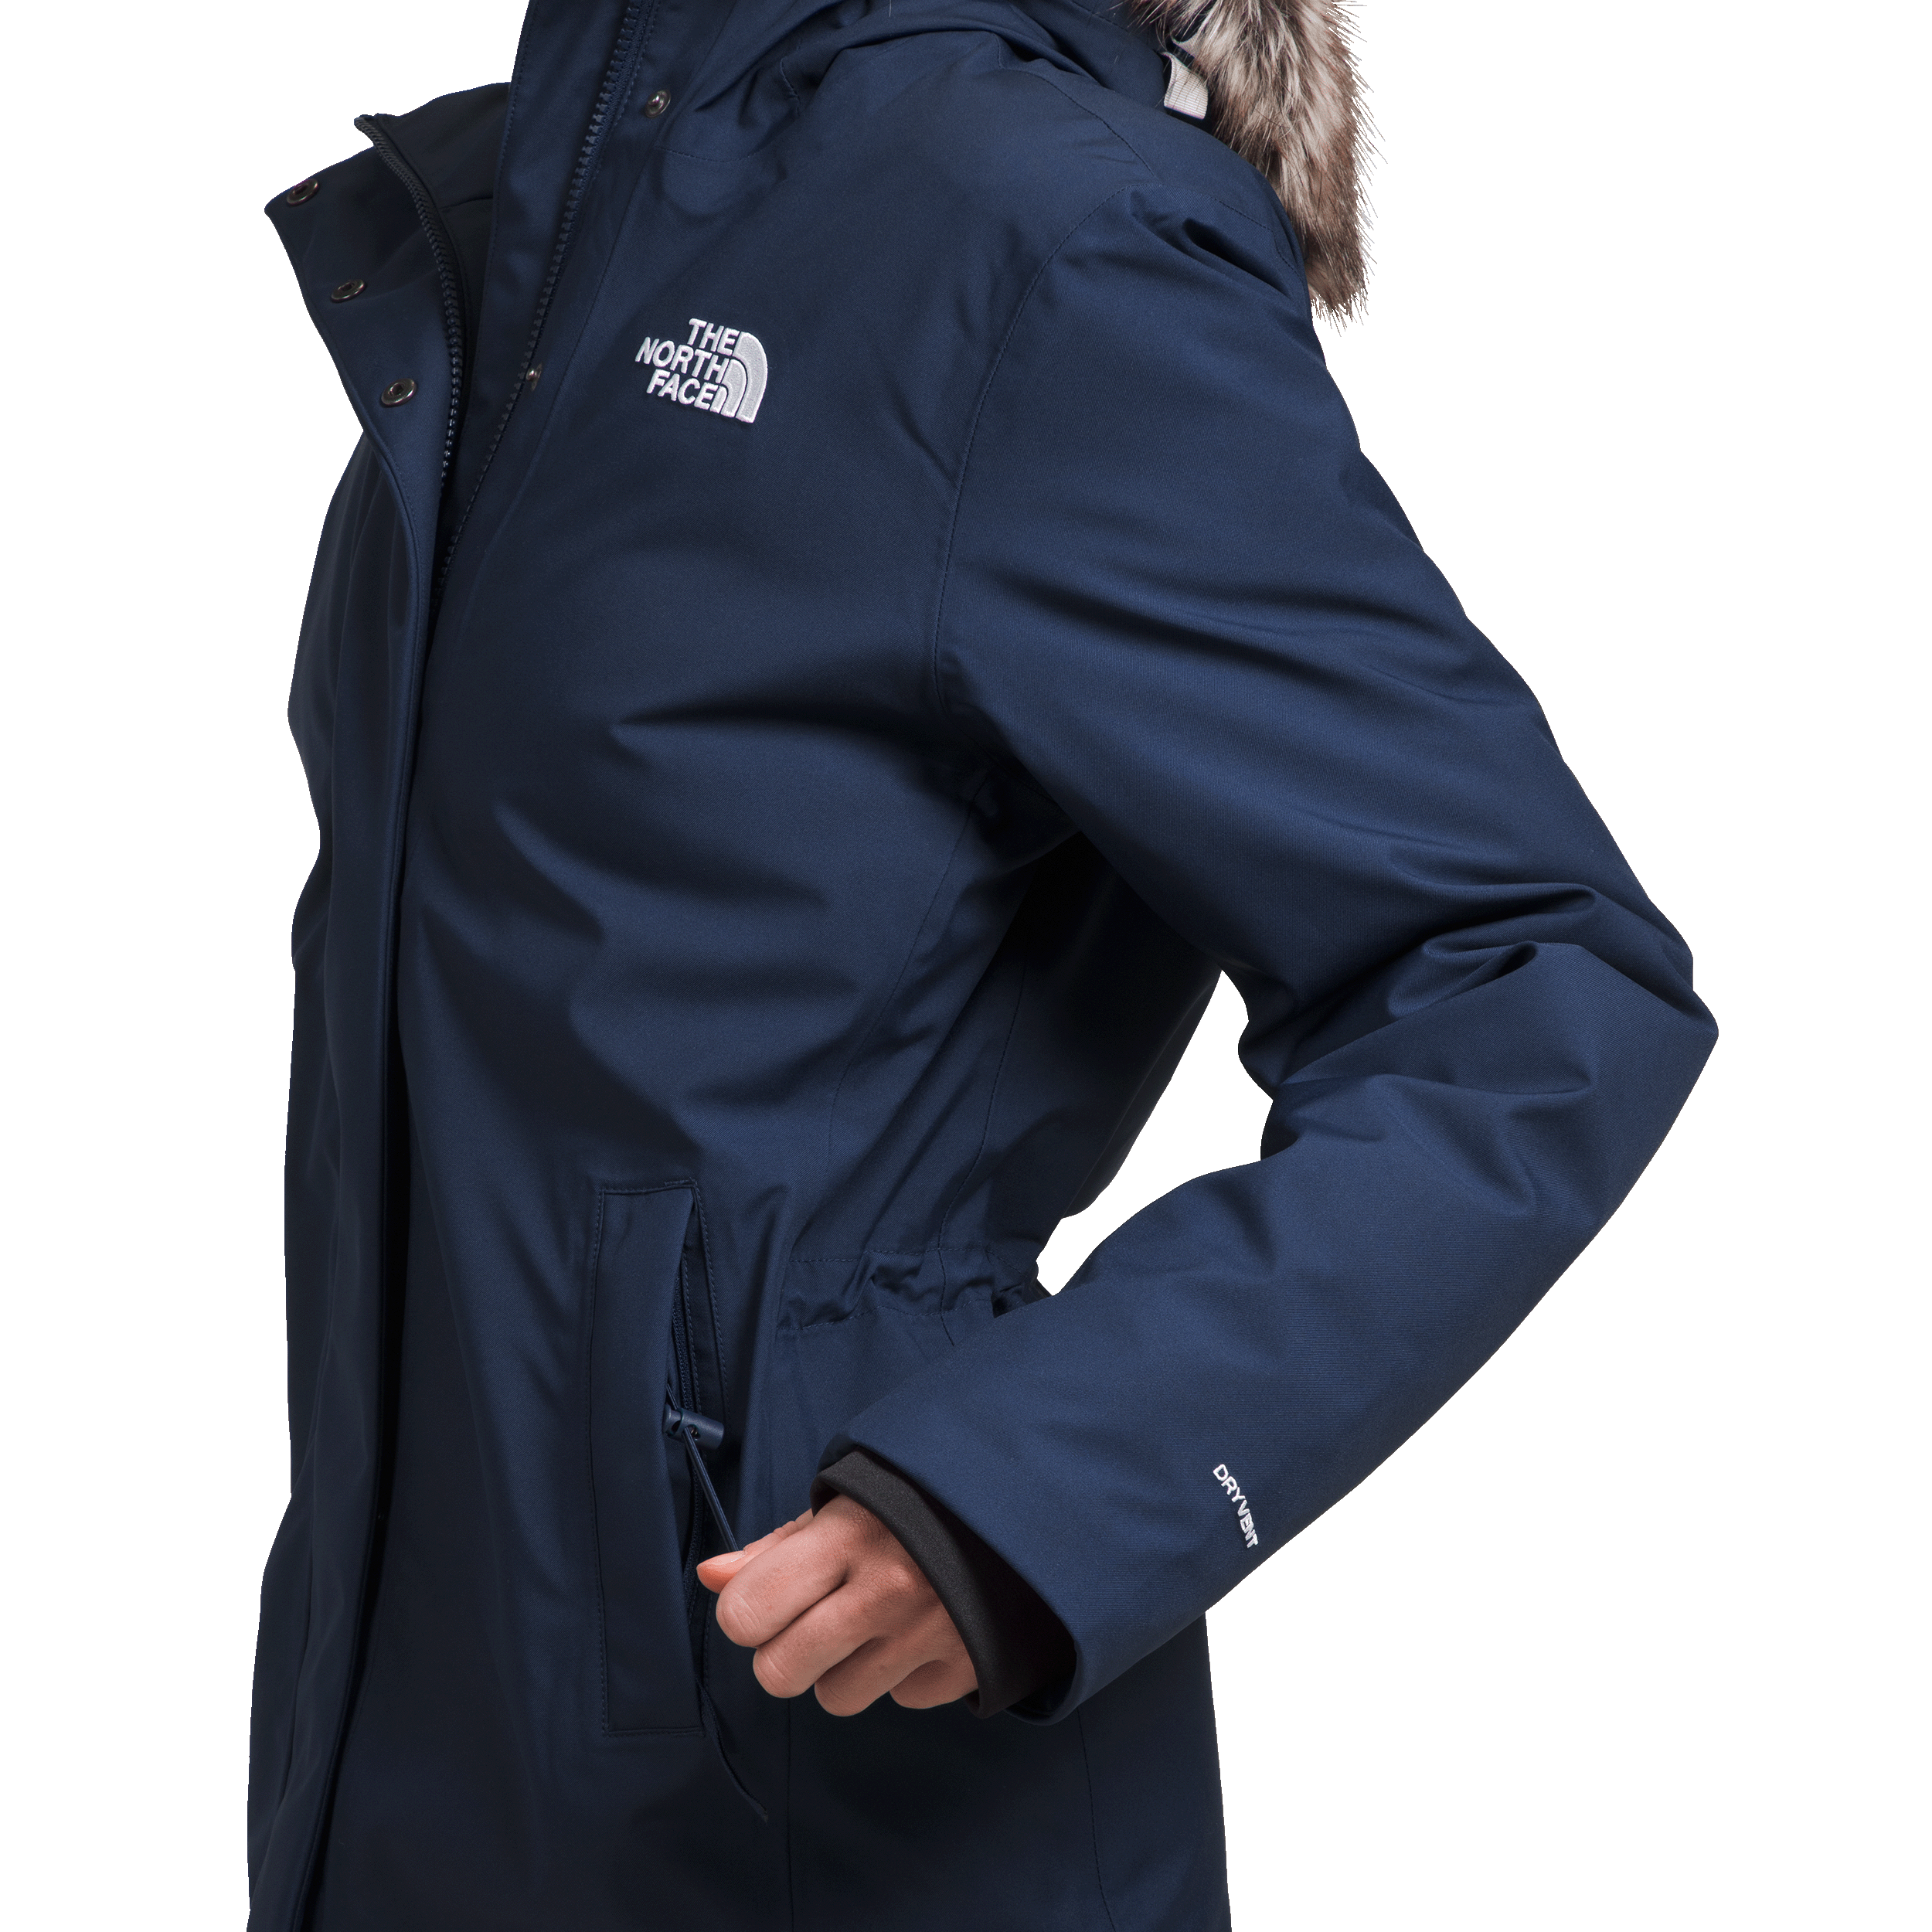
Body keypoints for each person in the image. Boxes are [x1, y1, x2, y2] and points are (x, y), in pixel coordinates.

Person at [246, 2, 1716, 1927]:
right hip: (418, 1762)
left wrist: (1035, 1498)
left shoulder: (1029, 233)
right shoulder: (552, 208)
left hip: (812, 1767)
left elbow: (1526, 969)